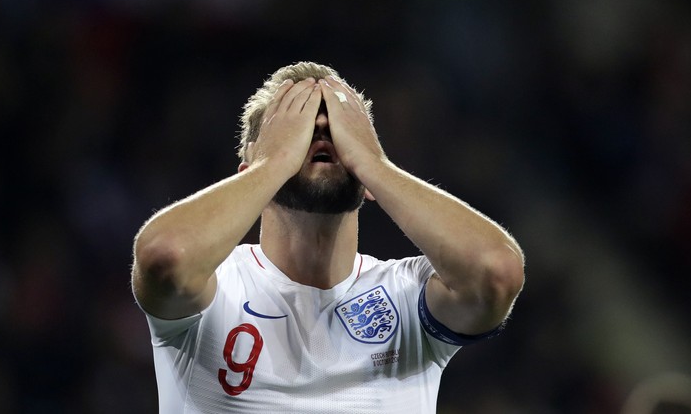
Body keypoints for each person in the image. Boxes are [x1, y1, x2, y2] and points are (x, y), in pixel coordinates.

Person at [131, 62, 525, 413]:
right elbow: (164, 257)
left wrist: (376, 165)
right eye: (296, 128)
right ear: (250, 172)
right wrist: (275, 164)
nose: (320, 130)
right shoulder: (217, 289)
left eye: (336, 128)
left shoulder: (406, 297)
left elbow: (496, 272)